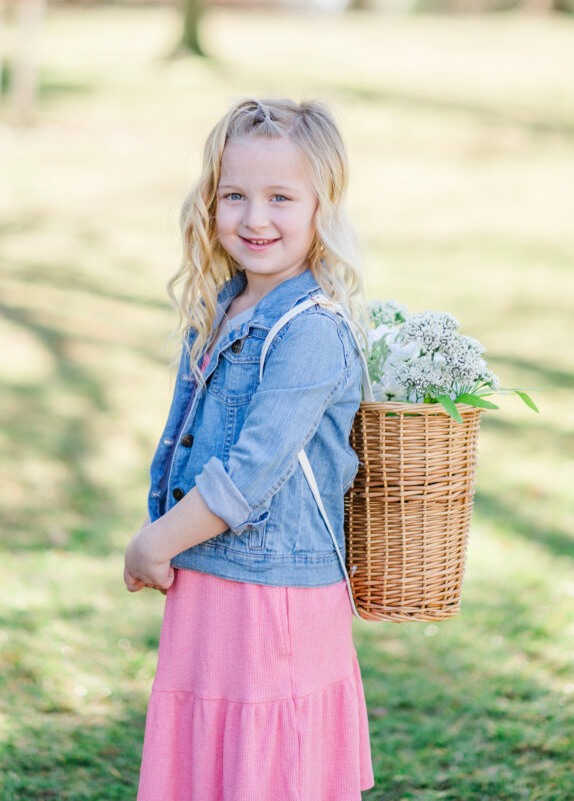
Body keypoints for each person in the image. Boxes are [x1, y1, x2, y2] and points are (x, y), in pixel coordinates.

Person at [124, 97, 376, 801]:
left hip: (274, 598)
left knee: (269, 771)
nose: (254, 218)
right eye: (234, 195)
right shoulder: (220, 307)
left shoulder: (312, 332)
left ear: (323, 205)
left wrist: (154, 543)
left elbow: (249, 475)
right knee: (212, 762)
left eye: (280, 198)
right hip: (211, 576)